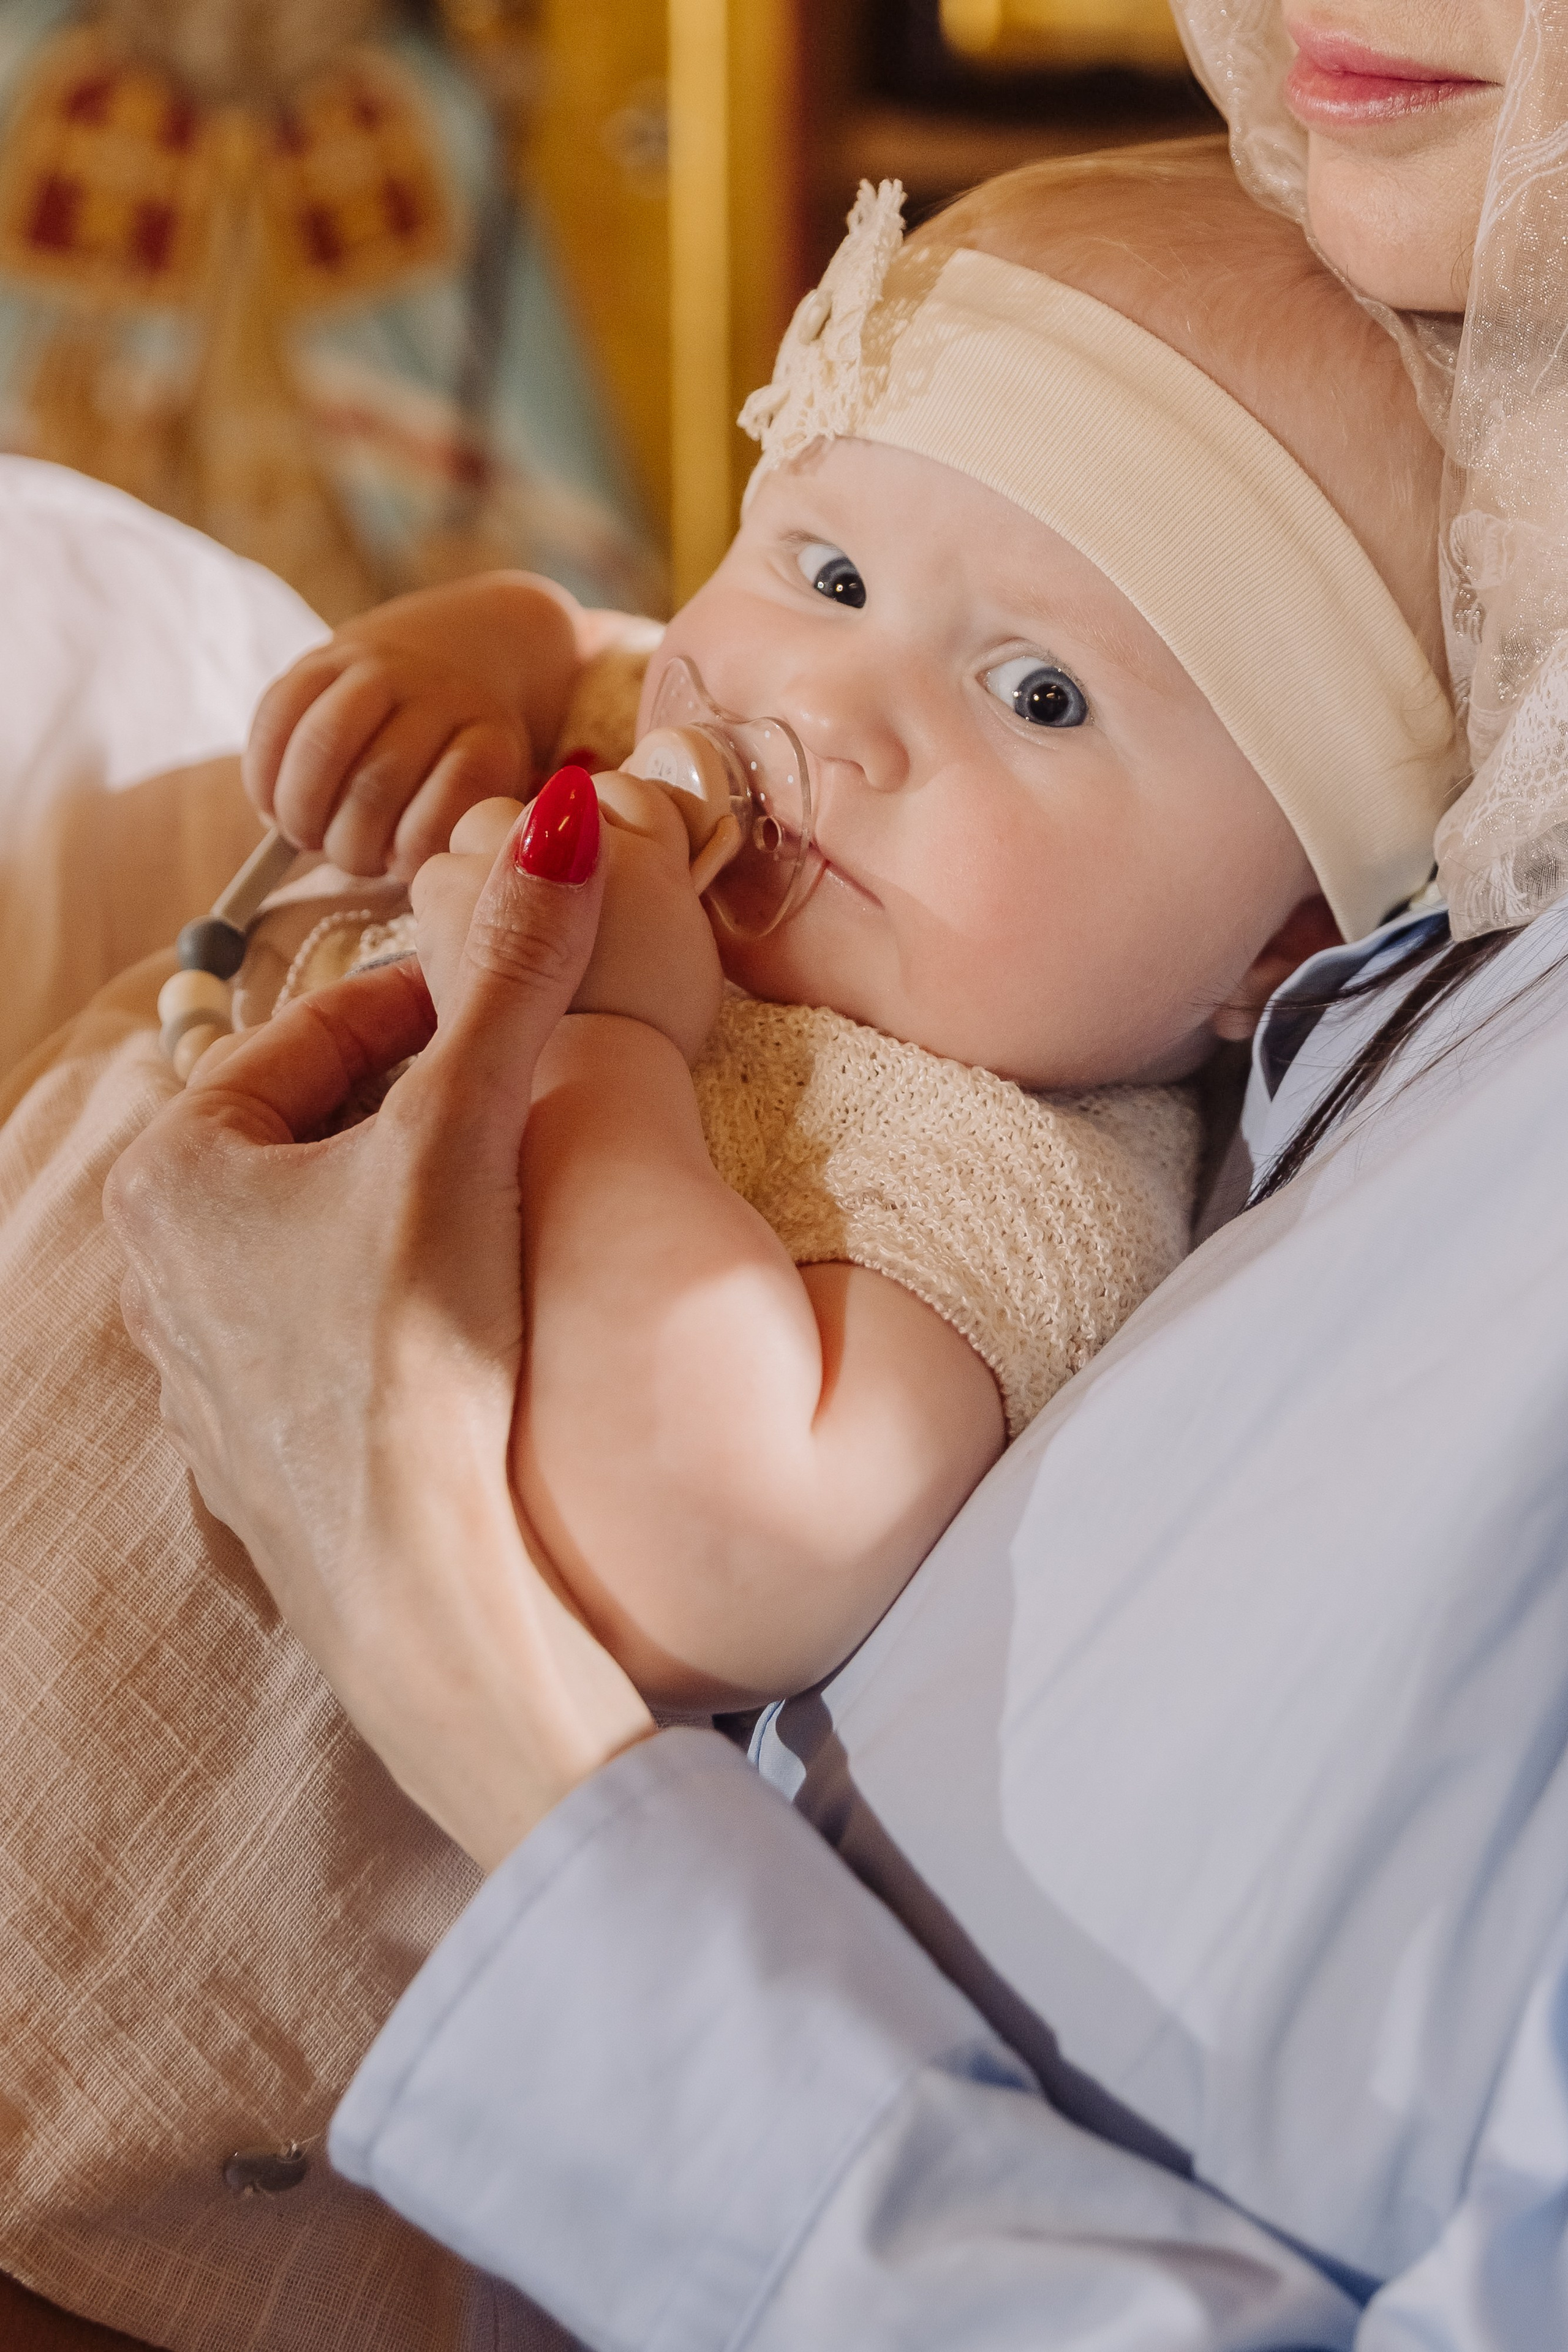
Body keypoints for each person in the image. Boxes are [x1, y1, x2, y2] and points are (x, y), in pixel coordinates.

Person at [100, 8, 1568, 2346]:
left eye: (1042, 696)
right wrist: (502, 645)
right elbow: (670, 665)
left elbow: (720, 1541)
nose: (837, 712)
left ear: (1279, 956)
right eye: (824, 564)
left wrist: (614, 1043)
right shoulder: (764, 830)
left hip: (137, 2034)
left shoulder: (999, 1178)